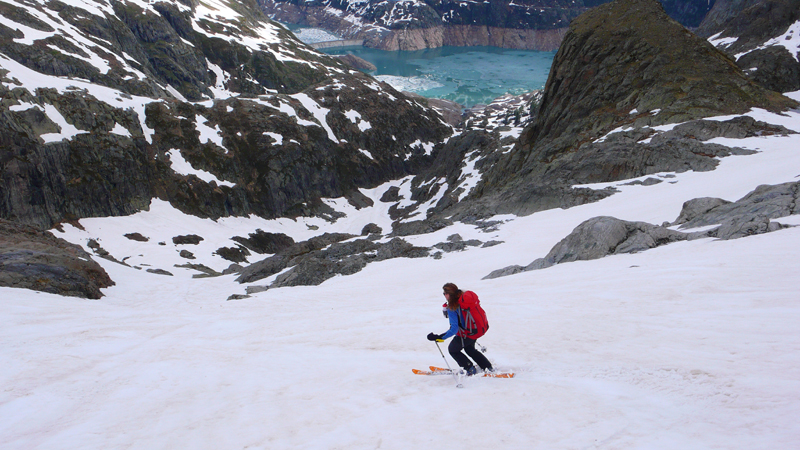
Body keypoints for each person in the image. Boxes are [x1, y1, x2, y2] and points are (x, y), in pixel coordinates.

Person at [427, 282, 493, 376]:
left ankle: (470, 368)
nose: (444, 295)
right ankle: (487, 366)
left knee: (453, 350)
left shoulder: (452, 307)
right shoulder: (464, 301)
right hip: (475, 330)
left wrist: (440, 337)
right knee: (470, 349)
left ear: (449, 294)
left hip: (465, 334)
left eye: (444, 293)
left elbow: (454, 328)